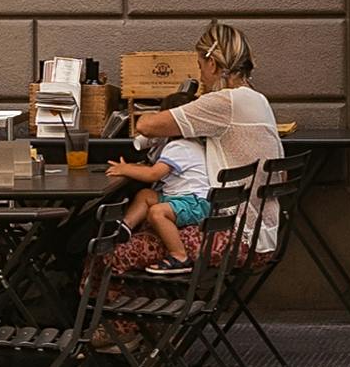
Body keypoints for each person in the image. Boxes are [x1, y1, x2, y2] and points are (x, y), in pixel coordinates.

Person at [117, 20, 286, 277]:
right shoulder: (258, 100)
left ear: (212, 63)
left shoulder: (222, 102)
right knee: (154, 226)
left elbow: (147, 125)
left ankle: (117, 317)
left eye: (200, 67)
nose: (200, 76)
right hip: (265, 231)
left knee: (115, 252)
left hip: (237, 235)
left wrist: (181, 109)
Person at [109, 128, 212, 269]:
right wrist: (129, 167)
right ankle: (125, 226)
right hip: (181, 198)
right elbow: (154, 168)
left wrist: (125, 170)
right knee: (145, 195)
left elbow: (153, 174)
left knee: (157, 212)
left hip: (195, 204)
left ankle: (180, 256)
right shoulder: (191, 144)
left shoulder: (179, 147)